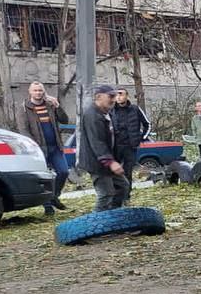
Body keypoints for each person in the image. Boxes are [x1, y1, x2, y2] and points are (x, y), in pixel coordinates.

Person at [17, 82, 69, 215]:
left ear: (44, 92)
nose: (38, 93)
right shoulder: (24, 108)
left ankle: (54, 196)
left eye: (40, 90)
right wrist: (34, 146)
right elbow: (24, 130)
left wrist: (58, 106)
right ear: (30, 92)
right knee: (44, 178)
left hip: (55, 146)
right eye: (35, 90)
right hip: (39, 148)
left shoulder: (50, 105)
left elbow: (65, 120)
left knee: (63, 172)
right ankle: (48, 207)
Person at [77, 84, 128, 211]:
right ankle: (97, 225)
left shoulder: (107, 113)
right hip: (97, 162)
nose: (114, 99)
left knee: (123, 186)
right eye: (110, 96)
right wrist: (110, 162)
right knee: (106, 194)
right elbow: (97, 142)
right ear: (98, 97)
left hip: (108, 160)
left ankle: (114, 218)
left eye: (115, 96)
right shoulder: (92, 115)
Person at [111, 87, 150, 199]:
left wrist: (142, 138)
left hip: (130, 146)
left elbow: (147, 124)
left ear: (127, 96)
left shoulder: (135, 109)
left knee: (128, 172)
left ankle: (127, 195)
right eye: (116, 94)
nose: (118, 97)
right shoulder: (112, 110)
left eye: (121, 94)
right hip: (116, 146)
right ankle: (117, 194)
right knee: (115, 172)